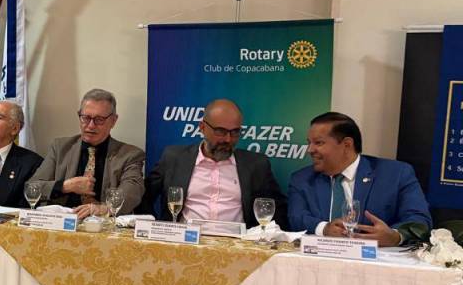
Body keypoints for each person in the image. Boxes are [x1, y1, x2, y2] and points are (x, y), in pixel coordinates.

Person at [287, 111, 432, 245]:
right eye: (309, 143)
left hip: (377, 259)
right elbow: (296, 217)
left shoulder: (396, 174)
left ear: (347, 144)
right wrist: (324, 228)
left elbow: (419, 220)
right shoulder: (302, 179)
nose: (310, 150)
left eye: (318, 143)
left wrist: (395, 236)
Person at [140, 98, 288, 228]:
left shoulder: (257, 165)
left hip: (237, 245)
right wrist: (156, 229)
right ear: (202, 127)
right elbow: (144, 197)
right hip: (184, 243)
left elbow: (277, 209)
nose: (228, 139)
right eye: (220, 131)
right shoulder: (174, 158)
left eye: (235, 132)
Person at [29, 88, 145, 218]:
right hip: (62, 221)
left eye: (99, 119)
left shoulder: (130, 155)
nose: (90, 126)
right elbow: (31, 187)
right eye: (86, 118)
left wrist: (104, 209)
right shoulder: (60, 148)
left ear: (113, 121)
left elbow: (132, 193)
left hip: (102, 224)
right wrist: (65, 186)